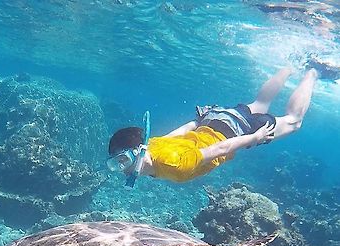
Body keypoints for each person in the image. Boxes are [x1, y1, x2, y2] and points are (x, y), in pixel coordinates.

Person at [107, 68, 318, 186]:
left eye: (122, 160)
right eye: (116, 164)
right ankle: (290, 67)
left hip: (233, 131)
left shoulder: (175, 164)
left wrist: (255, 137)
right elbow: (177, 133)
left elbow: (220, 149)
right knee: (259, 104)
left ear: (139, 152)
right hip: (212, 121)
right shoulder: (150, 145)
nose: (121, 169)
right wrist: (198, 121)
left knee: (293, 122)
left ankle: (312, 72)